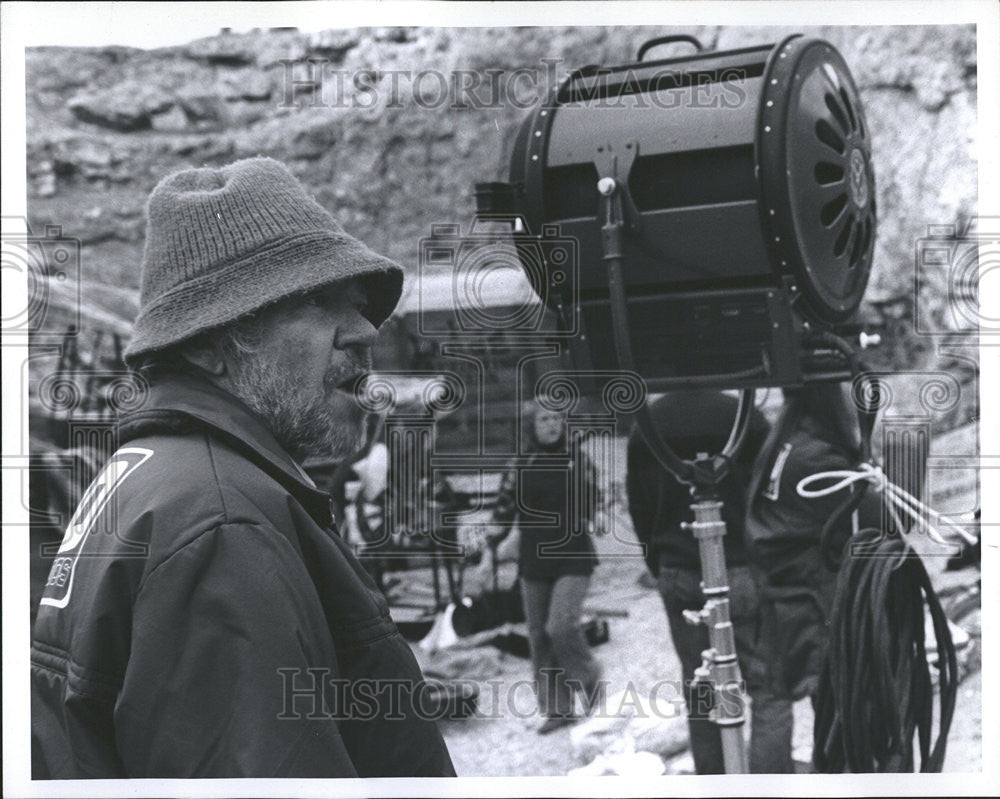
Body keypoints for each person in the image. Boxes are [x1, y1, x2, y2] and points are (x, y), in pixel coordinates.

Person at [30, 157, 455, 779]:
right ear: (206, 344)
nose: (365, 331)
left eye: (360, 305)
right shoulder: (222, 521)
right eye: (317, 302)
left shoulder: (153, 474)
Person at [626, 390, 793, 774]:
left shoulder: (648, 424)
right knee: (769, 691)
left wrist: (659, 563)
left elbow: (639, 505)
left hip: (679, 570)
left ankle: (715, 784)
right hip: (743, 565)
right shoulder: (743, 416)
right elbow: (771, 496)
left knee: (701, 691)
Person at [743, 383, 882, 769]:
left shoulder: (785, 440)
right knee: (850, 726)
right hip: (816, 607)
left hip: (790, 601)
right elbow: (885, 519)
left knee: (827, 721)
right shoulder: (816, 458)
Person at [488, 400, 603, 734]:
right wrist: (486, 555)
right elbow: (502, 512)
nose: (552, 425)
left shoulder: (577, 460)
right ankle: (558, 709)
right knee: (538, 636)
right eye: (544, 419)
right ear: (531, 425)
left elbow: (595, 501)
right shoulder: (518, 465)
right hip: (534, 557)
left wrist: (596, 505)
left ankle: (592, 682)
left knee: (561, 627)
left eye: (557, 419)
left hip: (573, 553)